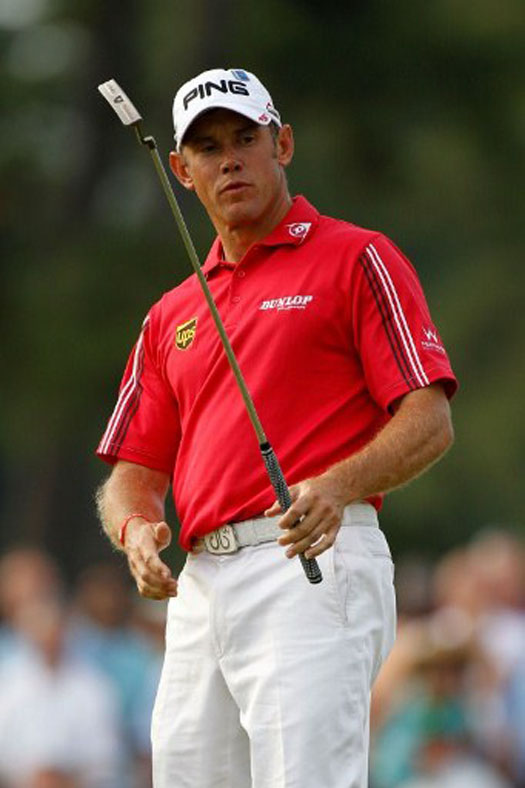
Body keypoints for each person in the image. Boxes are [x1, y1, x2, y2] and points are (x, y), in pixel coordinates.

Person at [95, 67, 457, 788]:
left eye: (244, 137)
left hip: (313, 561)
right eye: (205, 148)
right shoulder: (171, 314)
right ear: (180, 170)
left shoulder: (356, 256)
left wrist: (337, 484)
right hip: (202, 584)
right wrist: (136, 533)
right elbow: (132, 476)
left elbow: (429, 418)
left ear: (281, 143)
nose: (228, 159)